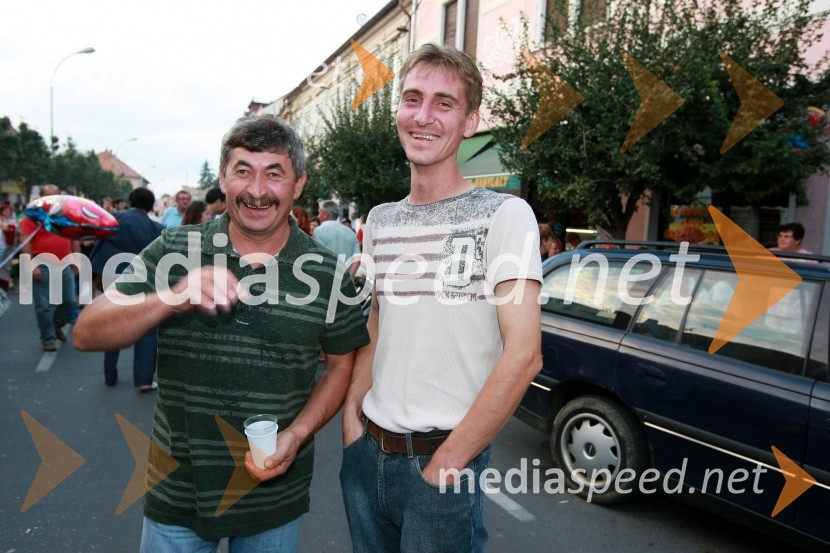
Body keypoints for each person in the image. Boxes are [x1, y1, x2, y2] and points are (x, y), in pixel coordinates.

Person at [73, 114, 369, 552]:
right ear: (225, 177)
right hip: (177, 494)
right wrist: (172, 298)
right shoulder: (175, 250)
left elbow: (342, 365)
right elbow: (86, 331)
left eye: (274, 173)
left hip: (274, 496)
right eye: (243, 171)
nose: (257, 190)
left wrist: (299, 433)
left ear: (299, 184)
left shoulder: (327, 272)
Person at [339, 43, 543, 553]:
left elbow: (524, 356)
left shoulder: (505, 215)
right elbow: (377, 325)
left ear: (470, 122)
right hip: (367, 456)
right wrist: (350, 420)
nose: (423, 116)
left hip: (443, 466)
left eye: (444, 103)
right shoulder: (381, 221)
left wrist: (447, 464)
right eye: (412, 99)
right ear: (398, 112)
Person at [89, 187, 164, 390]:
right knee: (147, 329)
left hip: (111, 275)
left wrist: (95, 274)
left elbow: (98, 243)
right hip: (142, 278)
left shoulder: (113, 218)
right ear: (150, 206)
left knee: (113, 322)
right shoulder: (154, 227)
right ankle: (144, 380)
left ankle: (110, 375)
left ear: (130, 201)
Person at [20, 184, 79, 351]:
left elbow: (73, 236)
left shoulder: (64, 214)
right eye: (48, 196)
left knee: (68, 301)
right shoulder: (32, 217)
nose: (51, 200)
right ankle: (48, 339)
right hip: (42, 263)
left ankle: (56, 326)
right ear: (41, 198)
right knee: (44, 305)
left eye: (55, 196)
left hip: (64, 262)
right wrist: (31, 265)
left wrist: (76, 258)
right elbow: (25, 242)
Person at [312, 200, 360, 276]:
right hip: (345, 280)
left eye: (319, 212)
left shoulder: (319, 231)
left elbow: (317, 257)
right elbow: (357, 259)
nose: (318, 216)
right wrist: (349, 280)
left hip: (325, 280)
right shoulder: (351, 232)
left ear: (325, 215)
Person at [1, 202, 17, 291]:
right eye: (5, 211)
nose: (8, 212)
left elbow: (18, 231)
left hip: (10, 245)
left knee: (7, 265)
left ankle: (5, 282)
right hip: (1, 245)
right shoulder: (1, 220)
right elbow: (4, 228)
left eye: (9, 211)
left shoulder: (13, 221)